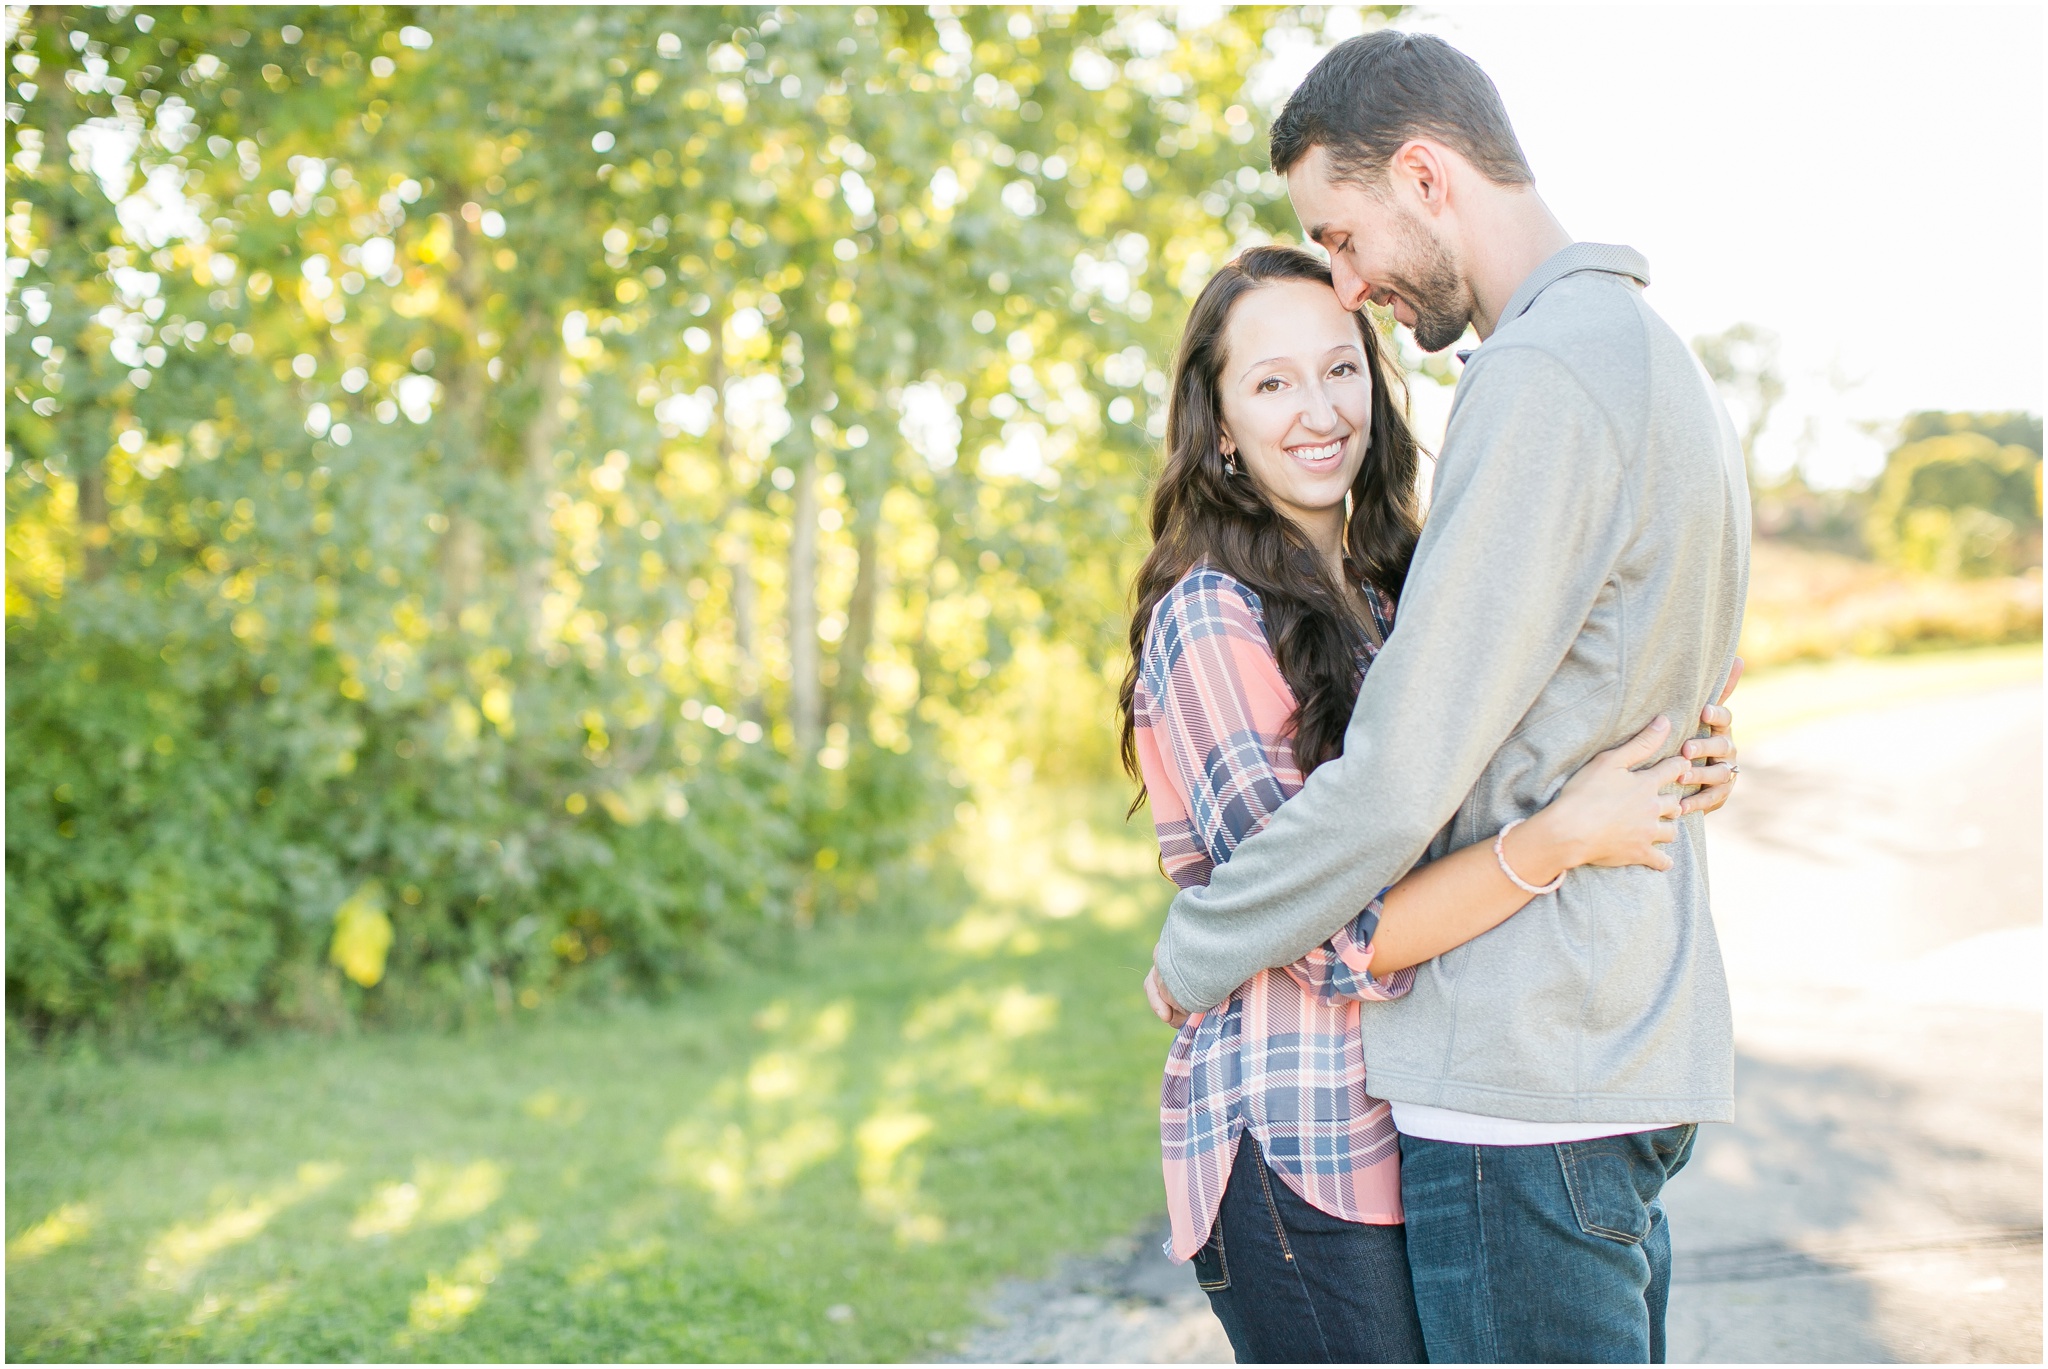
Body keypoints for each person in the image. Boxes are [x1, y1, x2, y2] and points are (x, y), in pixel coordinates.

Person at [1145, 31, 1750, 1365]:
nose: (1348, 281)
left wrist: (1197, 946)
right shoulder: (1653, 353)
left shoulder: (1538, 375)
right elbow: (1684, 664)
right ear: (1221, 418)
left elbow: (1404, 773)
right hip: (1593, 1046)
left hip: (1529, 1075)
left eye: (1342, 236)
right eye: (1272, 377)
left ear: (1423, 175)